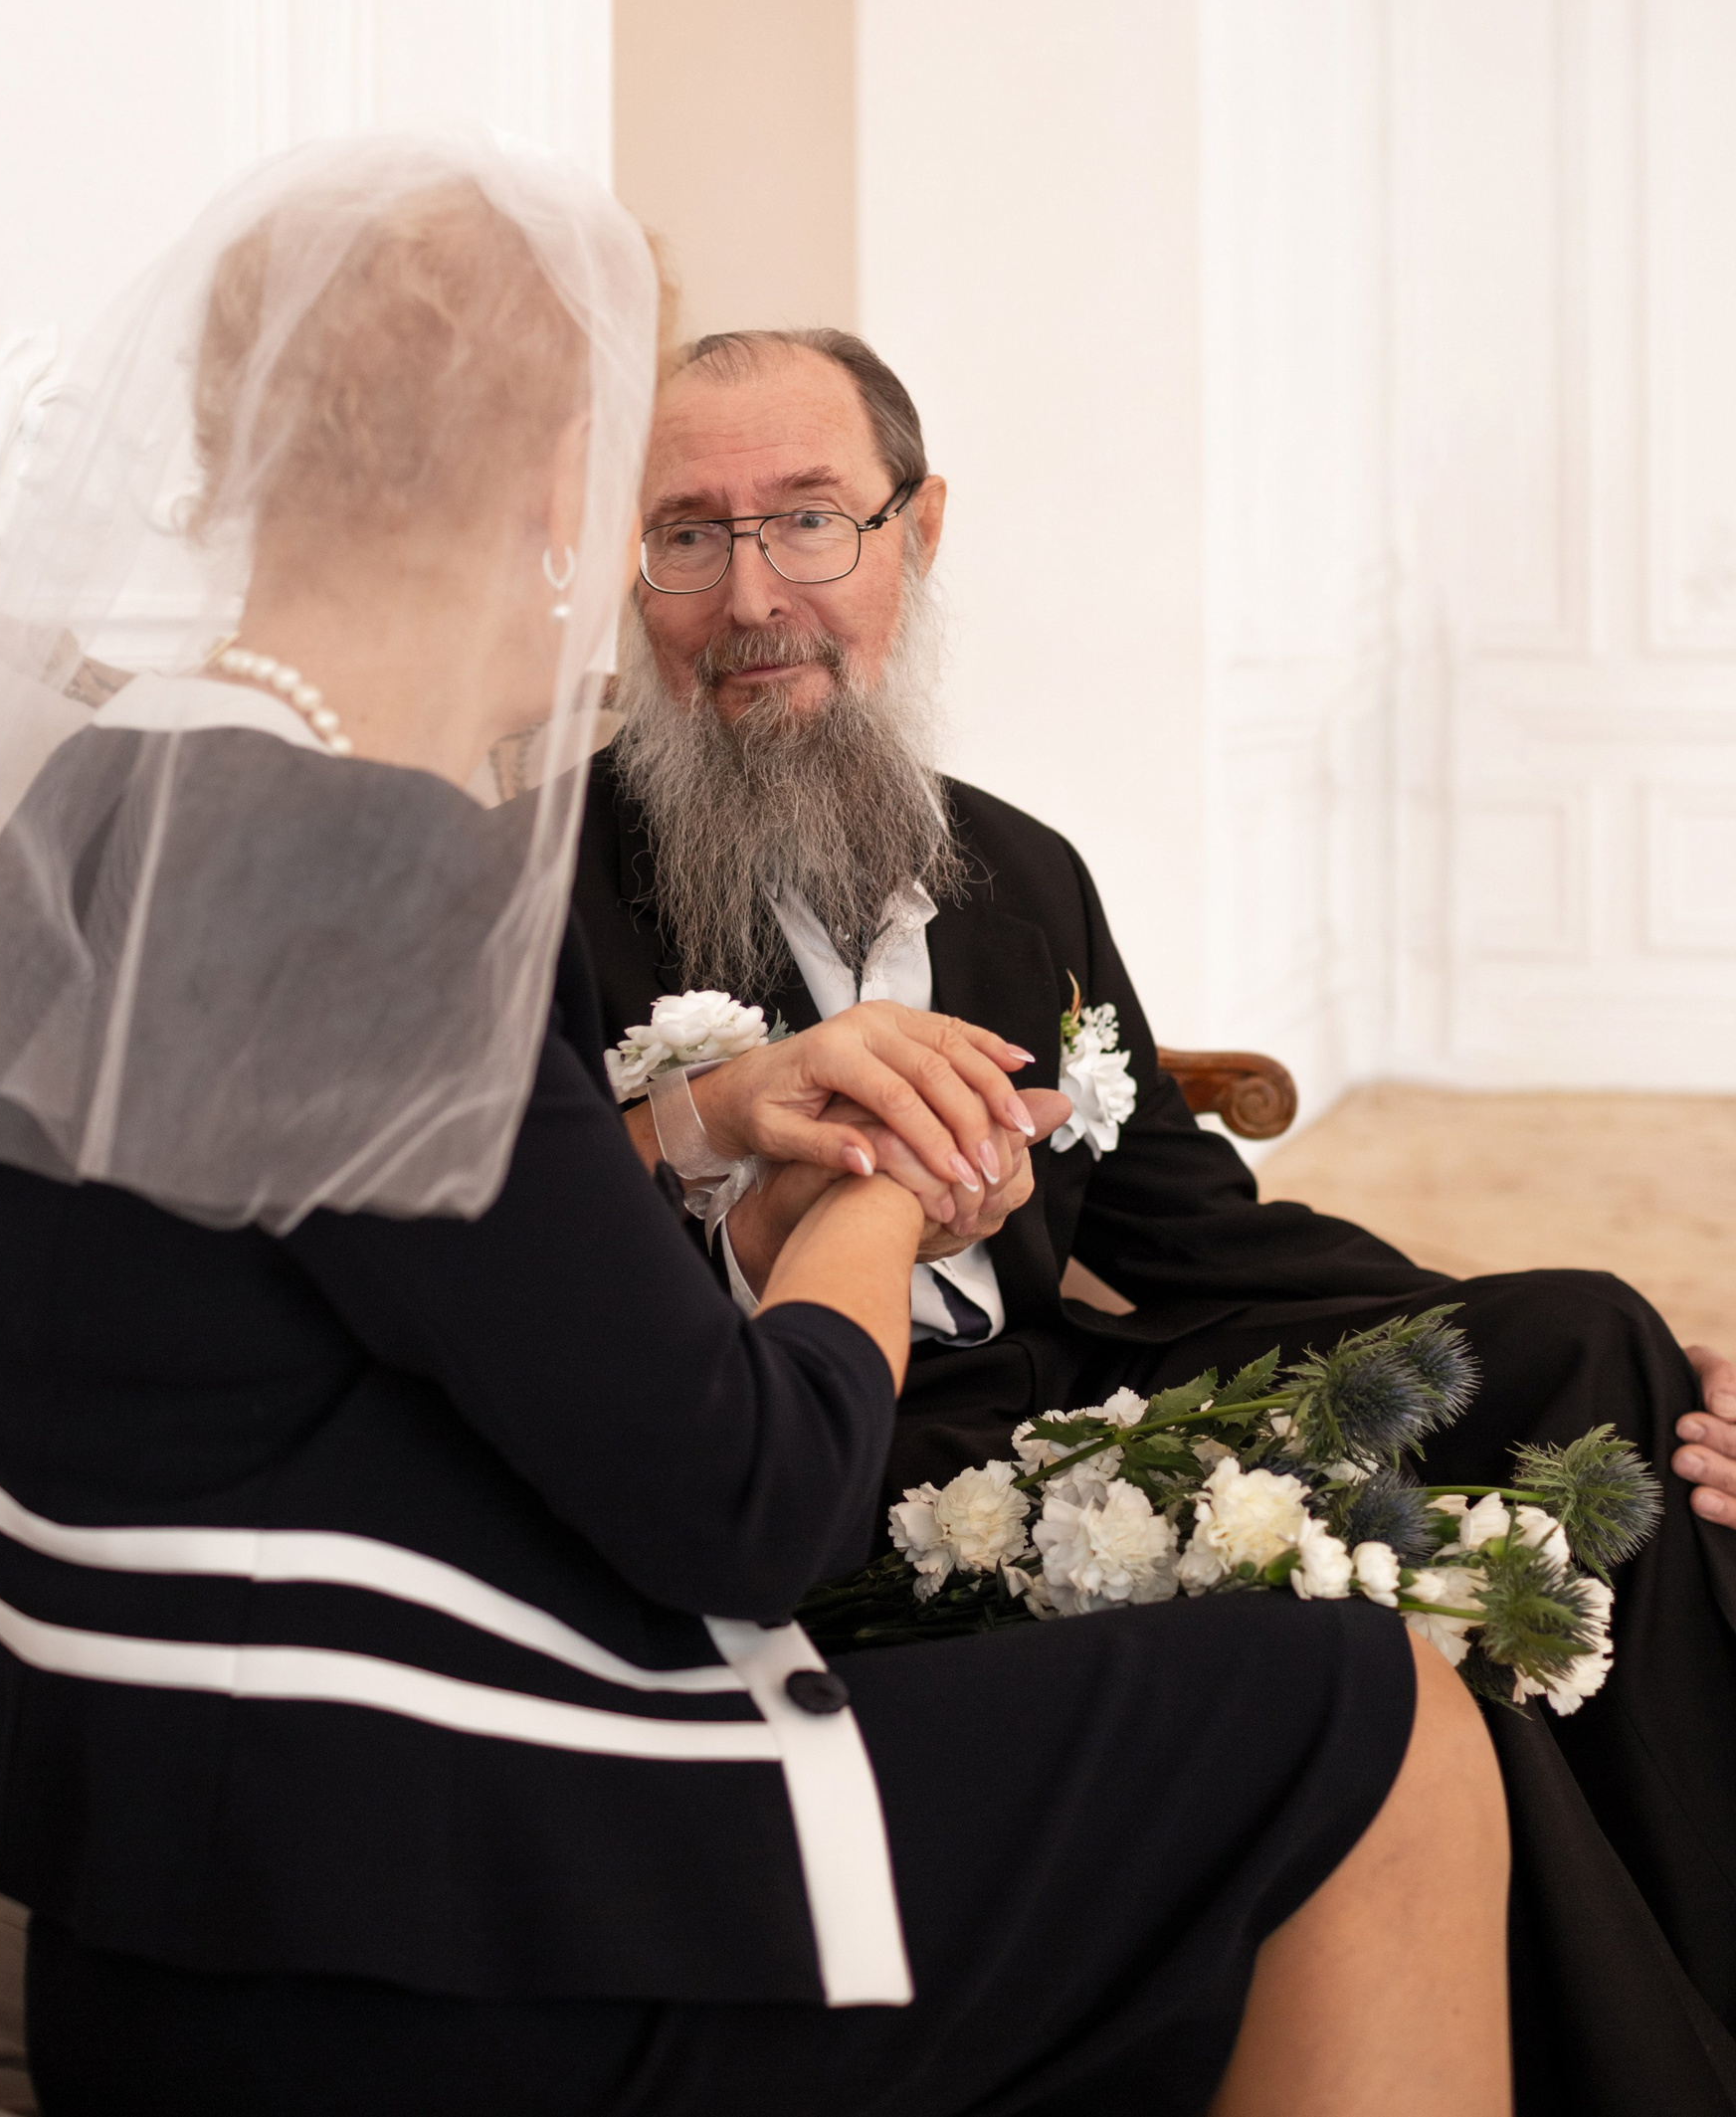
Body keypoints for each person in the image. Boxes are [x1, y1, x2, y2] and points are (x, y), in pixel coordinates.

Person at [0, 136, 1512, 2116]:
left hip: (164, 1918)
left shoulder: (100, 801)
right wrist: (889, 1183)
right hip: (423, 1951)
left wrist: (720, 1157)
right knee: (1367, 1712)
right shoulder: (377, 867)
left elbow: (366, 1288)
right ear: (570, 487)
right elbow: (758, 1503)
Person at [573, 322, 1736, 2104]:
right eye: (687, 534)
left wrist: (1619, 1349)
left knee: (1597, 1344)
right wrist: (712, 1131)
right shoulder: (550, 887)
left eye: (808, 519)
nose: (751, 595)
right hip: (827, 1477)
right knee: (1412, 1668)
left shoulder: (1020, 871)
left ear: (917, 532)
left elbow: (1205, 1237)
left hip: (1066, 1403)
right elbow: (516, 1253)